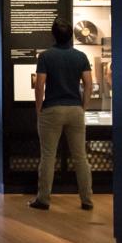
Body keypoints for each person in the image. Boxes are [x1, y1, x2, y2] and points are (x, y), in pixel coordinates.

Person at [29, 18, 94, 211]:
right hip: (75, 109)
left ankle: (43, 199)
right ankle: (87, 200)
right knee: (80, 157)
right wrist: (83, 107)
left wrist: (38, 108)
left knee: (48, 156)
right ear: (71, 36)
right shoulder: (80, 56)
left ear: (54, 35)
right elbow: (88, 84)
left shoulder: (46, 57)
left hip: (52, 109)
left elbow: (40, 85)